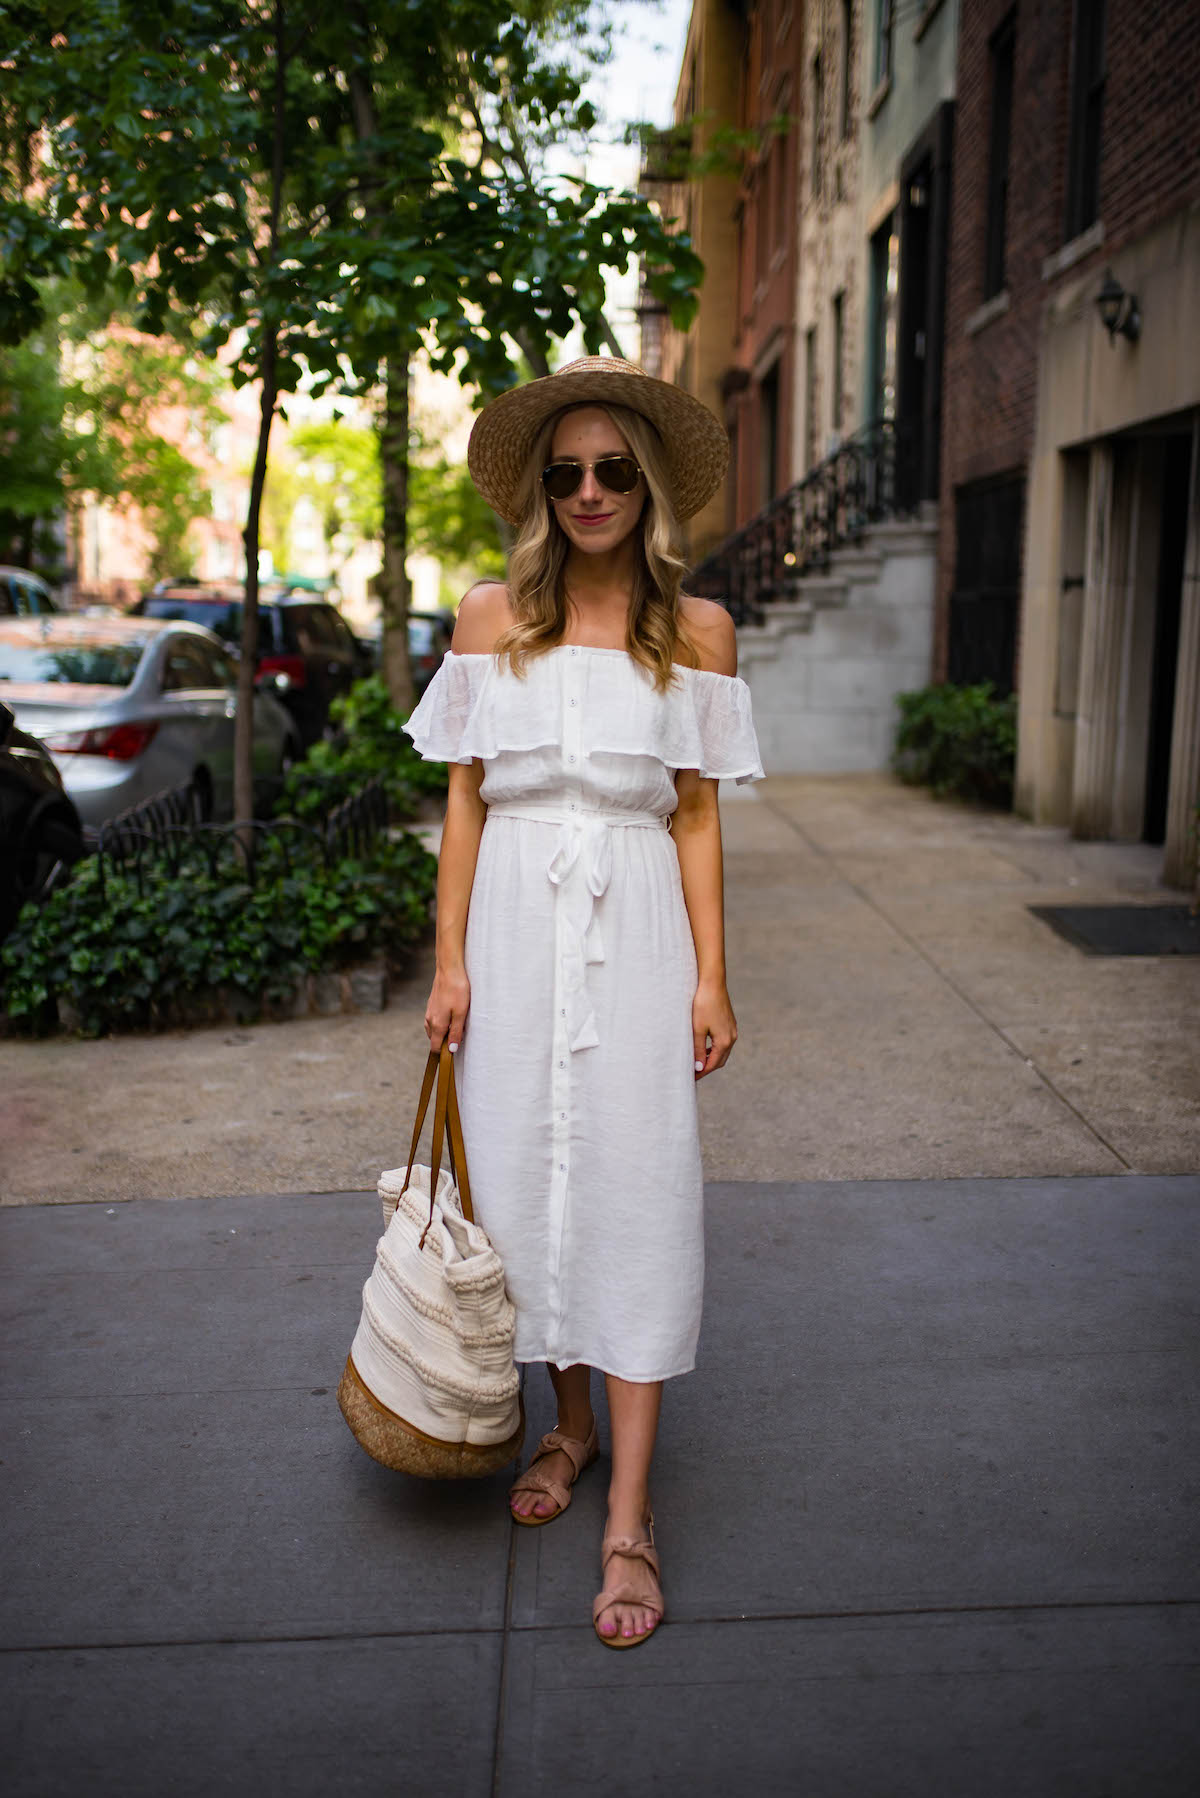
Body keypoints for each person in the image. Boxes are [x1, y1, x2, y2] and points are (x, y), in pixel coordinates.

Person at [404, 356, 763, 1649]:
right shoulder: (489, 617)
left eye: (614, 470)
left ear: (648, 485)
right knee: (522, 1177)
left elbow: (700, 813)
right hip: (509, 922)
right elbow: (460, 799)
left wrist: (715, 974)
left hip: (636, 930)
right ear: (539, 492)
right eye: (566, 473)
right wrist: (448, 960)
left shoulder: (699, 631)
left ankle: (631, 1513)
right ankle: (566, 1422)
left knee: (635, 1183)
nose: (591, 490)